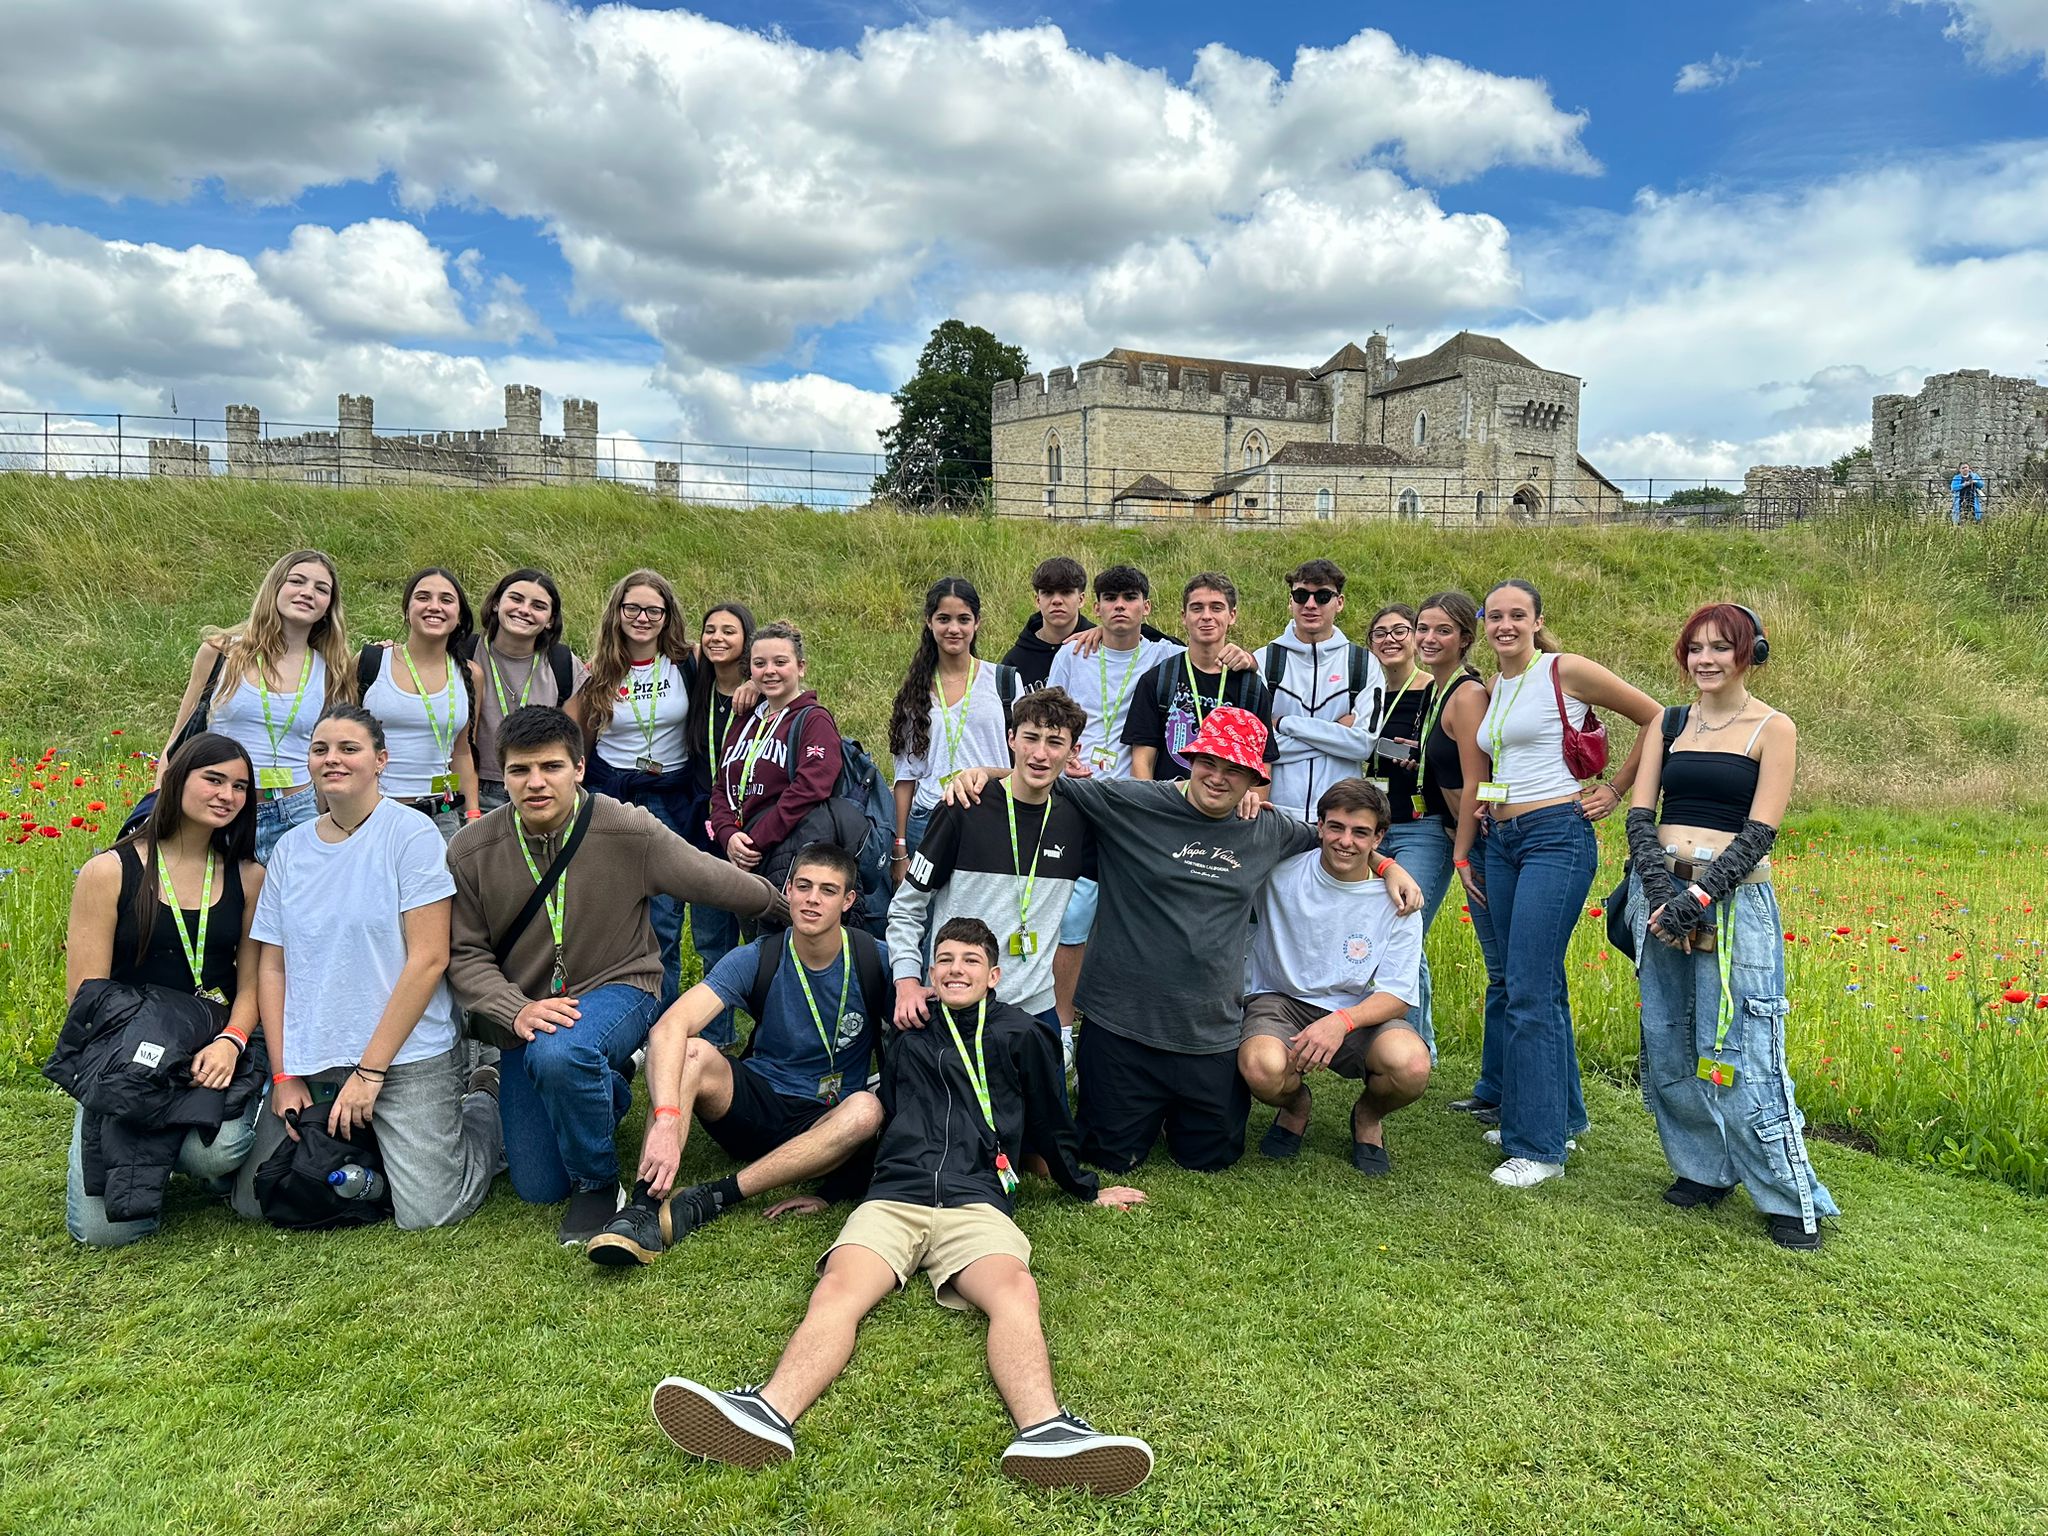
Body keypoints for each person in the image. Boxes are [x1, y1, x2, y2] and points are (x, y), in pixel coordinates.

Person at [649, 918, 1153, 1496]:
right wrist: (834, 1192)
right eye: (945, 959)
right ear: (929, 973)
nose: (956, 969)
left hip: (976, 1200)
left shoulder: (1021, 1035)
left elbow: (1050, 1125)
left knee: (1015, 1292)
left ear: (993, 976)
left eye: (970, 961)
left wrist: (1086, 1188)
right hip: (894, 1195)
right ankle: (767, 1411)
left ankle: (1046, 1431)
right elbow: (885, 1119)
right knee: (838, 1290)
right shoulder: (908, 1037)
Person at [947, 708, 1421, 1174]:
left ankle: (1191, 1110)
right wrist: (978, 774)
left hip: (1207, 1032)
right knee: (1111, 1156)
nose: (1218, 778)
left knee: (1209, 1158)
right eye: (1208, 763)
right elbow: (1040, 776)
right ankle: (1138, 1110)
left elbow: (1340, 844)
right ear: (1189, 760)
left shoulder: (1267, 829)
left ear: (1254, 779)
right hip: (1121, 1025)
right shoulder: (1130, 802)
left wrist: (1388, 866)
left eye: (1234, 770)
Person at [446, 704, 787, 1246]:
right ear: (502, 773)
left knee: (560, 1054)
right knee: (537, 1184)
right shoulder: (471, 850)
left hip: (620, 985)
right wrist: (518, 1010)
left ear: (579, 768)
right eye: (520, 770)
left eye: (552, 767)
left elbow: (711, 879)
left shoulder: (626, 829)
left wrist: (792, 909)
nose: (536, 783)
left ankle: (598, 1184)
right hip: (529, 1012)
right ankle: (607, 1086)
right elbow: (464, 955)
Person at [230, 706, 502, 1231]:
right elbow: (273, 968)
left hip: (405, 1056)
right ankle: (375, 1137)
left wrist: (370, 1073)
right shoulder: (289, 850)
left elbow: (429, 959)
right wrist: (284, 1075)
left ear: (381, 760)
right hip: (315, 1059)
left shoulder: (412, 835)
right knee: (256, 1198)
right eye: (320, 749)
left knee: (428, 1212)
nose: (332, 759)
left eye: (348, 749)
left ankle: (484, 1100)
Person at [1626, 604, 1837, 1248]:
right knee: (1667, 1036)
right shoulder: (1670, 721)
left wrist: (1699, 894)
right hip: (1660, 895)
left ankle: (1786, 1195)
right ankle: (1703, 1169)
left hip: (1734, 902)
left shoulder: (1773, 728)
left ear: (1751, 653)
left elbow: (1760, 829)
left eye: (1721, 647)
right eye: (1694, 648)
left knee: (1744, 1047)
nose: (1705, 660)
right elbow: (1640, 813)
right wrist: (1663, 892)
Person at [587, 843, 890, 1266]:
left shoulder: (876, 959)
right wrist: (666, 1117)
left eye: (827, 890)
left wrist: (837, 1190)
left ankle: (716, 1196)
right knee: (692, 1051)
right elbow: (670, 1026)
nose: (812, 899)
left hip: (827, 1120)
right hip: (758, 1104)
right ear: (787, 889)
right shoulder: (758, 956)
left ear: (849, 900)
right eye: (803, 886)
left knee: (866, 1111)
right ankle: (642, 1208)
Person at [1451, 579, 1661, 1189]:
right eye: (1495, 616)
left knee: (1527, 989)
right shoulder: (1496, 687)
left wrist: (1617, 790)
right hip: (1506, 840)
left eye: (1518, 615)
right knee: (1538, 982)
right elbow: (1503, 766)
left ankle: (1538, 1146)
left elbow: (1656, 718)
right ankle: (1560, 1114)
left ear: (1538, 620)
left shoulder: (1565, 670)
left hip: (1556, 835)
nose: (1505, 625)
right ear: (1484, 626)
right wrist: (1489, 808)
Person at [60, 733, 267, 1246]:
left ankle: (203, 1156)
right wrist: (141, 1058)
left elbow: (254, 981)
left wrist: (232, 1039)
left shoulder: (250, 877)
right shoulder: (108, 870)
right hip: (127, 1049)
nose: (227, 795)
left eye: (240, 786)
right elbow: (85, 993)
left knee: (215, 1152)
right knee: (103, 1235)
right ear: (176, 781)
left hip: (212, 1045)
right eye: (214, 779)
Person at [1272, 601, 1454, 1055]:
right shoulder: (1369, 695)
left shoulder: (1437, 691)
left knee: (1407, 920)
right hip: (1368, 829)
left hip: (1418, 823)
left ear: (1415, 637)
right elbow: (1343, 741)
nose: (1390, 640)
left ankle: (1417, 1039)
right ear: (1369, 645)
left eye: (1400, 631)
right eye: (1379, 634)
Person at [1239, 779, 1428, 1175]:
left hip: (1355, 1009)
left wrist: (1340, 1022)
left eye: (1361, 832)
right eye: (1336, 827)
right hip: (1278, 999)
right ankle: (1295, 1105)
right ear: (1319, 826)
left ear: (1379, 836)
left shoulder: (1398, 901)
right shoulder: (1278, 873)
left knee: (1410, 1066)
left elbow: (1397, 995)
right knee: (1261, 1068)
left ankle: (1367, 1116)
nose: (1346, 841)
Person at [887, 687, 1092, 1051]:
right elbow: (907, 906)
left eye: (1055, 742)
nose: (1041, 753)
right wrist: (905, 980)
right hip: (962, 1007)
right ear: (1011, 739)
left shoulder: (1079, 821)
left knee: (1045, 1110)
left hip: (1035, 1011)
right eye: (1030, 738)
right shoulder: (963, 806)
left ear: (1073, 751)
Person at [1041, 564, 1181, 1030]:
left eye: (1129, 597)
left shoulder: (1167, 657)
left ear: (1146, 606)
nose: (1119, 606)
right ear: (1094, 606)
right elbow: (1052, 717)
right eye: (1110, 598)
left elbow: (1214, 651)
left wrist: (1237, 653)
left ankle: (1125, 1022)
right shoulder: (1071, 655)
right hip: (1077, 797)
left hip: (1133, 803)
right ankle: (1062, 1026)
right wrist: (1062, 764)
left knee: (1134, 919)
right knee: (1074, 914)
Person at [165, 550, 355, 863]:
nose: (307, 592)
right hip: (221, 809)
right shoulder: (221, 653)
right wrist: (161, 797)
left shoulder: (332, 669)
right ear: (275, 587)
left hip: (296, 813)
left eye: (322, 589)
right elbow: (178, 740)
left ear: (328, 607)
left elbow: (331, 754)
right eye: (297, 581)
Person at [574, 569, 698, 1003]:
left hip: (671, 796)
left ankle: (664, 1021)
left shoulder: (688, 661)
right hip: (612, 797)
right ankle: (623, 1011)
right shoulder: (596, 672)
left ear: (667, 616)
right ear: (618, 612)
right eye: (632, 608)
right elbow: (580, 740)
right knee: (613, 911)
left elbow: (749, 670)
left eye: (653, 610)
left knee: (665, 914)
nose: (642, 617)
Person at [887, 577, 1022, 877]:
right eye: (943, 619)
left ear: (977, 623)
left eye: (964, 619)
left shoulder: (1004, 681)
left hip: (993, 815)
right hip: (930, 820)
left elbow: (1024, 755)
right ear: (929, 622)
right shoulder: (915, 692)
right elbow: (906, 776)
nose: (953, 629)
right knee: (929, 919)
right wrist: (900, 848)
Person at [709, 622, 845, 902]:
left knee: (784, 936)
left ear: (801, 667)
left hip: (787, 852)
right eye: (760, 663)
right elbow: (721, 785)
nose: (769, 671)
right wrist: (727, 834)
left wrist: (757, 838)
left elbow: (811, 787)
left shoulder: (813, 719)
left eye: (780, 662)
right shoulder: (745, 718)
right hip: (742, 852)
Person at [357, 566, 482, 842]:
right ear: (407, 608)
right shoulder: (372, 663)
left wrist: (473, 814)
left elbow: (462, 752)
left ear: (459, 615)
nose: (434, 606)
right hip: (373, 811)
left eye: (446, 600)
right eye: (423, 597)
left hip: (442, 817)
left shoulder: (470, 674)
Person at [1255, 559, 1383, 822]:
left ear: (1340, 602)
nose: (1310, 605)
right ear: (1290, 601)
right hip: (1277, 815)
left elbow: (1362, 745)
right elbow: (1257, 745)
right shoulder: (1264, 661)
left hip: (1341, 818)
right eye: (1301, 596)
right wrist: (1337, 735)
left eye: (1323, 596)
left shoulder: (1363, 663)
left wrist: (1285, 724)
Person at [681, 600, 755, 1050]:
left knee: (759, 940)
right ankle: (717, 1041)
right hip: (703, 830)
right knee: (711, 941)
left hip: (751, 834)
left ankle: (772, 1034)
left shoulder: (759, 695)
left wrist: (754, 683)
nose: (717, 639)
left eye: (729, 631)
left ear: (747, 638)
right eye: (710, 630)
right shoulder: (695, 683)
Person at [1124, 572, 1277, 788]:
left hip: (1226, 811)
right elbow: (1142, 759)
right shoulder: (1158, 680)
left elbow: (1262, 762)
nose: (1206, 616)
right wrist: (1149, 811)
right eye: (1197, 608)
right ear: (1183, 616)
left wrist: (1249, 818)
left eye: (1216, 608)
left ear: (1232, 615)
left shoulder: (1251, 688)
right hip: (1169, 807)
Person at [468, 568, 587, 814]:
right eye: (516, 599)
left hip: (538, 789)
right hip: (475, 790)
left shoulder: (562, 664)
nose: (524, 610)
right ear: (496, 603)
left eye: (538, 606)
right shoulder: (462, 652)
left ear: (551, 620)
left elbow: (573, 743)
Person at [1000, 556, 1090, 690]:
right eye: (1048, 593)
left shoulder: (1100, 646)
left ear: (1081, 599)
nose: (1057, 600)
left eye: (1066, 592)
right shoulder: (1014, 662)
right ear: (1037, 600)